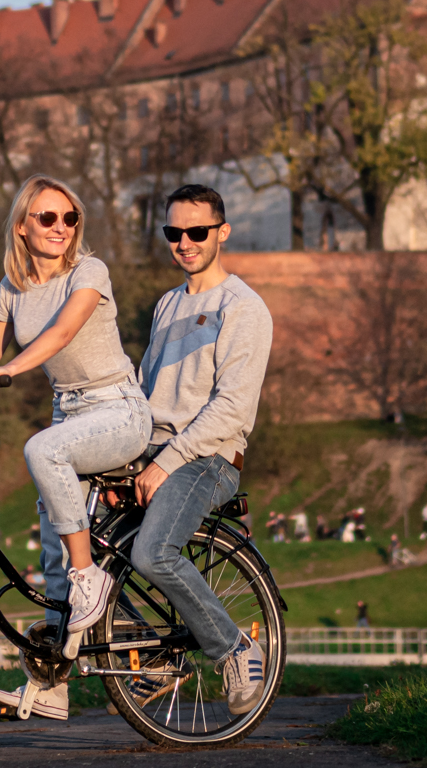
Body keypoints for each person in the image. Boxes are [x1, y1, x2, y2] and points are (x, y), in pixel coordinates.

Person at [0, 175, 151, 722]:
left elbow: (61, 334)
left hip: (118, 410)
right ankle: (55, 685)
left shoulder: (89, 272)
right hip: (70, 413)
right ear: (22, 226)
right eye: (48, 218)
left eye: (69, 218)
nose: (61, 228)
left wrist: (11, 369)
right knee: (53, 561)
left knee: (41, 451)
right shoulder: (11, 287)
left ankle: (94, 580)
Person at [132, 183, 274, 718]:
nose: (185, 242)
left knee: (152, 553)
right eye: (174, 232)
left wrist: (166, 462)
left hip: (208, 458)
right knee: (76, 536)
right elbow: (147, 390)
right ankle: (151, 658)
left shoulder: (243, 307)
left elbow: (232, 409)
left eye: (197, 231)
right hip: (154, 452)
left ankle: (234, 648)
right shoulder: (168, 303)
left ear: (223, 233)